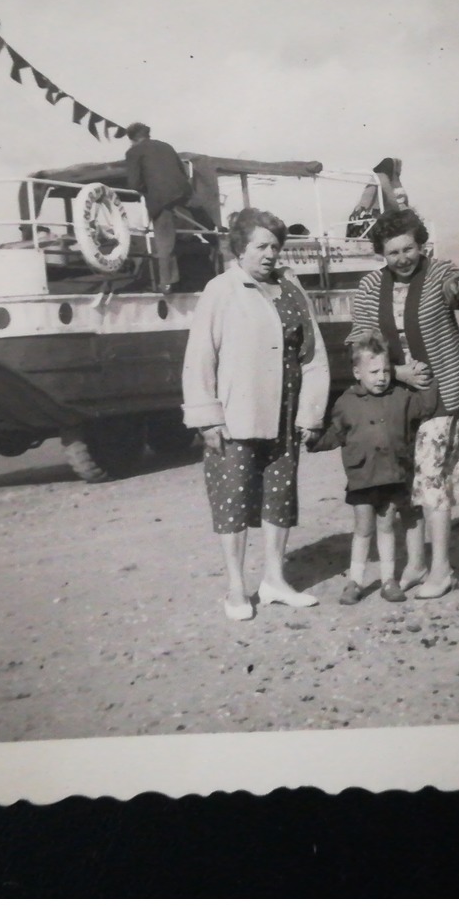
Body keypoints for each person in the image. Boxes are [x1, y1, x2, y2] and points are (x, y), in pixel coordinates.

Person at [182, 207, 330, 621]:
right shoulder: (221, 290)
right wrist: (206, 417)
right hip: (236, 416)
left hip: (285, 413)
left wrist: (310, 414)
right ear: (240, 249)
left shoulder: (291, 287)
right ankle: (235, 588)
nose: (270, 254)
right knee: (233, 500)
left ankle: (274, 580)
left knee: (279, 497)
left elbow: (313, 355)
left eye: (275, 246)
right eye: (261, 246)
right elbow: (200, 358)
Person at [347, 207, 459, 599]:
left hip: (444, 394)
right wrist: (398, 372)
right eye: (393, 253)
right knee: (407, 480)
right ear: (381, 255)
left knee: (433, 478)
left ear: (421, 245)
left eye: (408, 249)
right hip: (397, 396)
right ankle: (417, 564)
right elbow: (361, 340)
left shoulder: (439, 272)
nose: (402, 259)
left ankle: (441, 570)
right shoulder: (371, 286)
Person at [311, 331, 441, 605]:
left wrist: (428, 376)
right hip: (362, 476)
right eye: (373, 372)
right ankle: (355, 581)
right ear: (357, 372)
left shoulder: (401, 397)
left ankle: (388, 580)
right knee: (363, 528)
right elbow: (335, 434)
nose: (381, 377)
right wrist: (313, 440)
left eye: (385, 370)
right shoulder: (346, 403)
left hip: (393, 474)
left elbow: (426, 407)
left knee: (386, 526)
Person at [123, 122, 194, 292]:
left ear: (132, 139)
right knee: (186, 234)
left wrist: (147, 189)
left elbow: (134, 183)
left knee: (164, 243)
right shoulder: (166, 146)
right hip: (183, 197)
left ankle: (167, 283)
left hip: (161, 200)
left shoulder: (133, 152)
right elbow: (182, 172)